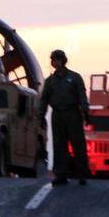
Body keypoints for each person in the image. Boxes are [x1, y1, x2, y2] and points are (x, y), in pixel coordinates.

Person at [37, 49, 90, 185]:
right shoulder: (50, 81)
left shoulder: (75, 78)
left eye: (58, 59)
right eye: (53, 60)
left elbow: (82, 97)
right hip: (57, 115)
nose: (56, 62)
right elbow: (44, 100)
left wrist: (86, 114)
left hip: (73, 114)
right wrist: (41, 116)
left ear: (63, 60)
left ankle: (82, 174)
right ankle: (61, 174)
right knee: (59, 145)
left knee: (78, 145)